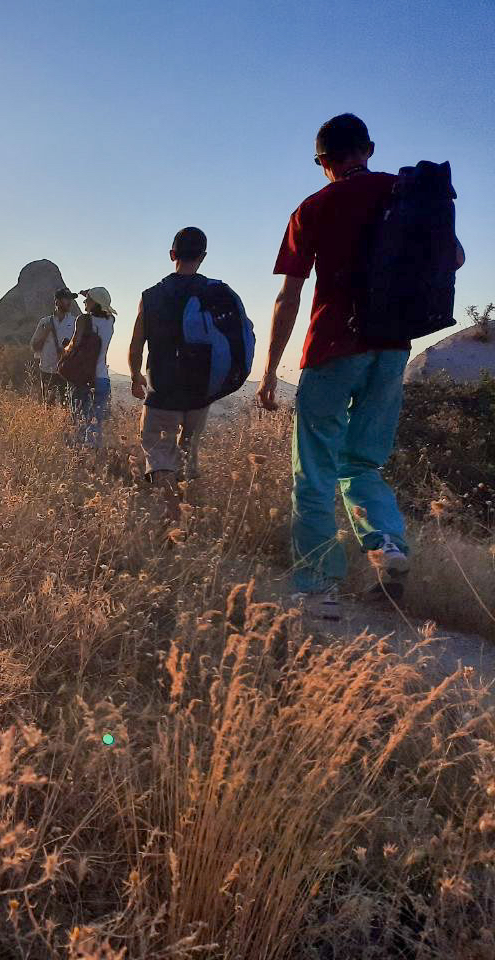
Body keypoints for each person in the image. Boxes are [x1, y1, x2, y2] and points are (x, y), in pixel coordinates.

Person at [257, 113, 465, 618]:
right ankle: (388, 546)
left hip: (332, 348)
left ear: (323, 162)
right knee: (363, 463)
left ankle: (316, 587)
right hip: (392, 348)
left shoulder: (313, 207)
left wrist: (268, 371)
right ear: (368, 149)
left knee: (314, 470)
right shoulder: (407, 192)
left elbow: (289, 297)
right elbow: (455, 257)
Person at [129, 228, 234, 500]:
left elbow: (136, 343)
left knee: (161, 453)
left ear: (172, 254)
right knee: (188, 451)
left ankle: (171, 517)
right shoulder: (216, 293)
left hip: (163, 388)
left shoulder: (150, 296)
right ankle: (188, 512)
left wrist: (135, 375)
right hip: (201, 390)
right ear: (203, 257)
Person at [67, 287, 115, 447]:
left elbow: (75, 344)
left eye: (87, 299)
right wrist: (93, 294)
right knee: (95, 425)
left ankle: (79, 461)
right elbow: (106, 310)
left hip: (83, 378)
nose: (84, 301)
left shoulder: (83, 320)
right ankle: (94, 461)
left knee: (79, 422)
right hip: (102, 379)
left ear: (94, 302)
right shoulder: (110, 321)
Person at [30, 287, 80, 406]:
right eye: (66, 299)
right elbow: (34, 347)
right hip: (47, 370)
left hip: (67, 371)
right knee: (47, 406)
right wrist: (45, 333)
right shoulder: (45, 322)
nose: (69, 302)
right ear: (57, 302)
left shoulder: (75, 322)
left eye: (70, 299)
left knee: (67, 407)